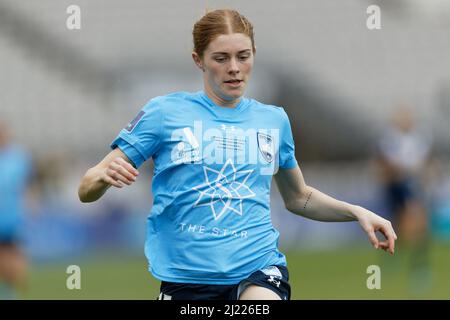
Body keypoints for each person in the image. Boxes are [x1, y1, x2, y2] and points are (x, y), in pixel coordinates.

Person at [78, 9, 397, 300]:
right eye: (221, 58)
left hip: (257, 268)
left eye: (243, 56)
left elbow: (298, 197)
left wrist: (356, 211)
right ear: (198, 60)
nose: (234, 68)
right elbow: (86, 188)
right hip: (186, 279)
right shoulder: (163, 113)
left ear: (254, 55)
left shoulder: (274, 120)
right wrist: (103, 178)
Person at [376, 104, 433, 293]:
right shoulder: (390, 139)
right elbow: (386, 163)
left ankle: (419, 268)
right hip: (395, 186)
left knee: (416, 225)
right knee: (397, 225)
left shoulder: (418, 139)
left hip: (410, 185)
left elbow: (422, 163)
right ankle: (394, 258)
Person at [0, 120, 33, 299]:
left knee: (12, 255)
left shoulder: (18, 157)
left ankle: (10, 291)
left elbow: (27, 186)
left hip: (11, 216)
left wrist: (29, 207)